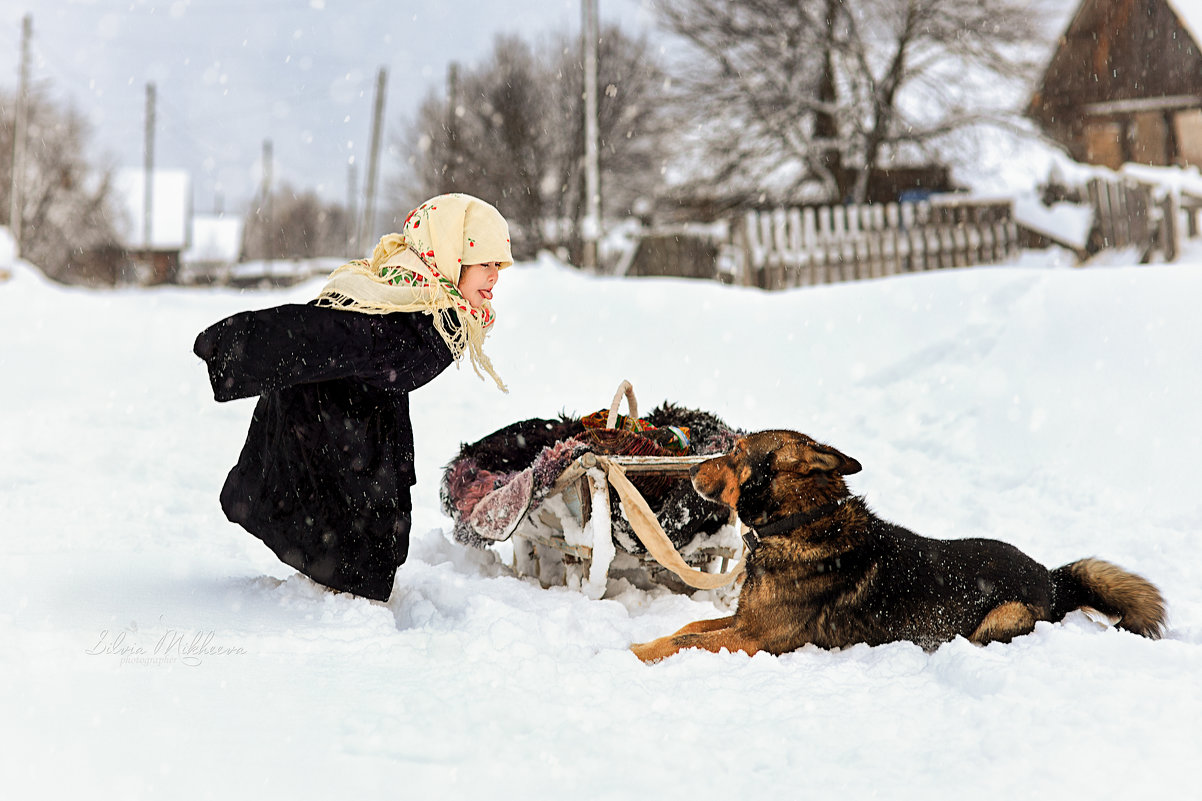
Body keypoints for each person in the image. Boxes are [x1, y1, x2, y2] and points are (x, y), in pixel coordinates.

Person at [194, 193, 512, 601]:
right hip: (326, 426)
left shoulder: (428, 302)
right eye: (485, 263)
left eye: (498, 265)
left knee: (375, 549)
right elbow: (323, 334)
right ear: (451, 258)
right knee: (357, 559)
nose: (495, 276)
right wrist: (234, 348)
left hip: (359, 422)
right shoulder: (414, 317)